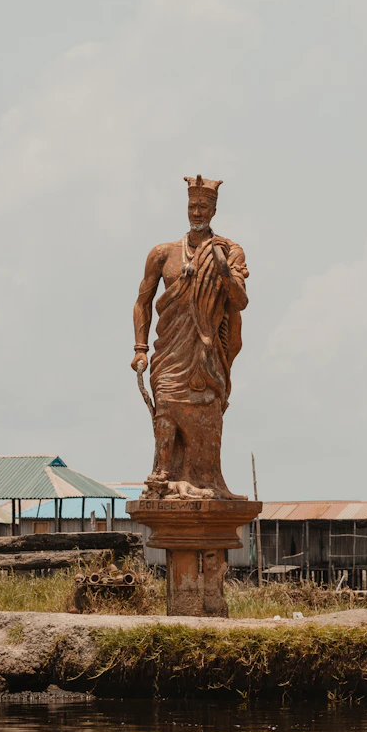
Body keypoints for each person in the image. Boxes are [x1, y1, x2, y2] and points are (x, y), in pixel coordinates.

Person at [130, 175, 248, 499]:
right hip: (170, 353)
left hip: (205, 355)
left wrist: (224, 271)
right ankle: (162, 477)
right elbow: (142, 301)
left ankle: (206, 479)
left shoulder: (228, 250)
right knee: (166, 405)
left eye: (204, 206)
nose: (197, 212)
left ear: (213, 209)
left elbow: (239, 301)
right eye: (192, 206)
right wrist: (140, 349)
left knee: (208, 414)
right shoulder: (163, 254)